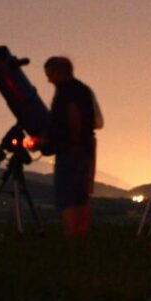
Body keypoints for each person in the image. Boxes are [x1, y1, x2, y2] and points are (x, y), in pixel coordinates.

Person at [37, 56, 103, 238]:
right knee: (81, 196)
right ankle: (82, 236)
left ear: (59, 72)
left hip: (72, 152)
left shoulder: (66, 92)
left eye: (50, 75)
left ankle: (72, 236)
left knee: (68, 197)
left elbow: (73, 117)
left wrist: (69, 142)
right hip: (86, 149)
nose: (48, 80)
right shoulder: (83, 89)